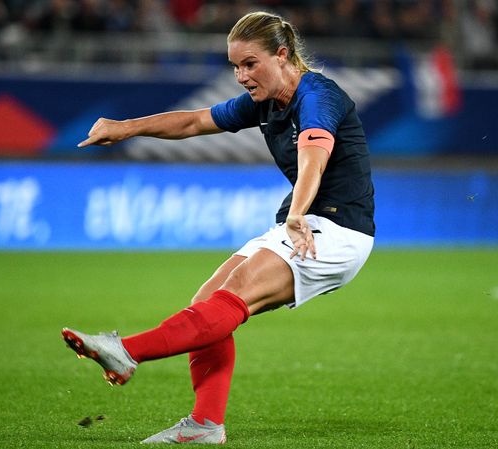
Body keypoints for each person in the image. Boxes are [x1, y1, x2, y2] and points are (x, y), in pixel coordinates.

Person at [62, 10, 375, 445]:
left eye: (249, 64)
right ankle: (205, 424)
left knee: (233, 294)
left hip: (337, 231)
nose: (241, 76)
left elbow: (314, 158)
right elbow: (194, 121)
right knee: (207, 303)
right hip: (301, 220)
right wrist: (126, 128)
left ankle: (126, 350)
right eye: (234, 66)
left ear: (282, 56)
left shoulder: (319, 96)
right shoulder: (266, 102)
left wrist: (298, 212)